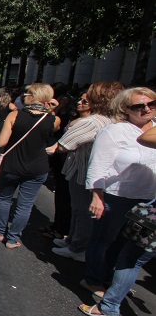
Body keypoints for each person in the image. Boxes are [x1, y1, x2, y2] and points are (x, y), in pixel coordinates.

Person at [80, 87, 156, 297]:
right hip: (116, 196)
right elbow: (98, 165)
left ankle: (111, 278)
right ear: (125, 108)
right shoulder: (114, 131)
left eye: (151, 104)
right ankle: (93, 279)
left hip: (148, 199)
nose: (146, 109)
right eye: (138, 106)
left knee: (126, 242)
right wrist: (97, 196)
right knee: (104, 239)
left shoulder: (155, 130)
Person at [46, 82, 124, 262]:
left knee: (81, 211)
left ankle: (77, 247)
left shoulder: (93, 121)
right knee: (78, 210)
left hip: (83, 172)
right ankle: (72, 240)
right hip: (87, 170)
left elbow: (64, 145)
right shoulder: (110, 120)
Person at [0, 83, 60, 249]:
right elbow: (53, 127)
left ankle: (0, 230)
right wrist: (52, 109)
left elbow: (1, 141)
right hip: (38, 167)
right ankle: (13, 238)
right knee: (25, 204)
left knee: (4, 198)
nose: (25, 96)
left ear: (32, 96)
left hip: (13, 164)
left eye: (28, 93)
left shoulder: (15, 116)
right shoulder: (53, 119)